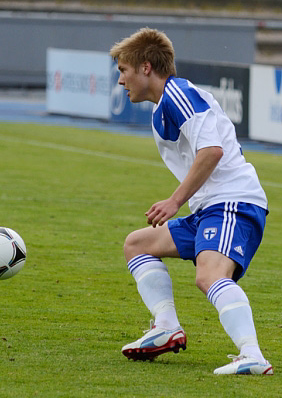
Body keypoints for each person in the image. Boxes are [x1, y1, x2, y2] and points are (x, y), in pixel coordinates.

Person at [110, 27, 273, 376]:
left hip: (233, 202)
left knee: (209, 275)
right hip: (209, 208)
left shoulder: (179, 94)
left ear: (146, 68)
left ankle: (252, 354)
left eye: (123, 70)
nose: (120, 80)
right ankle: (166, 326)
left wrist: (174, 201)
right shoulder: (162, 109)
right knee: (137, 245)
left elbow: (212, 151)